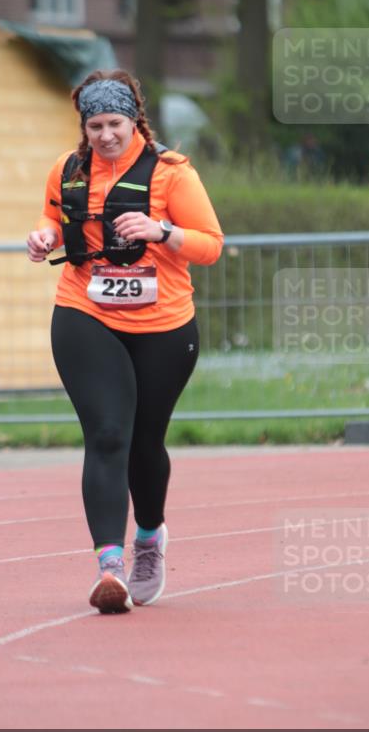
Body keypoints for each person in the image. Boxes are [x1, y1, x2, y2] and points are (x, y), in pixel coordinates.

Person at [26, 69, 223, 615]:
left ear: (134, 120)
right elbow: (51, 217)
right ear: (84, 127)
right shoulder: (66, 171)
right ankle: (108, 566)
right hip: (85, 312)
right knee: (108, 434)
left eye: (114, 123)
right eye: (95, 125)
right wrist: (43, 236)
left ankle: (150, 538)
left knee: (144, 444)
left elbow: (210, 245)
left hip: (163, 325)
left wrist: (162, 232)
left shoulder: (172, 174)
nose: (105, 135)